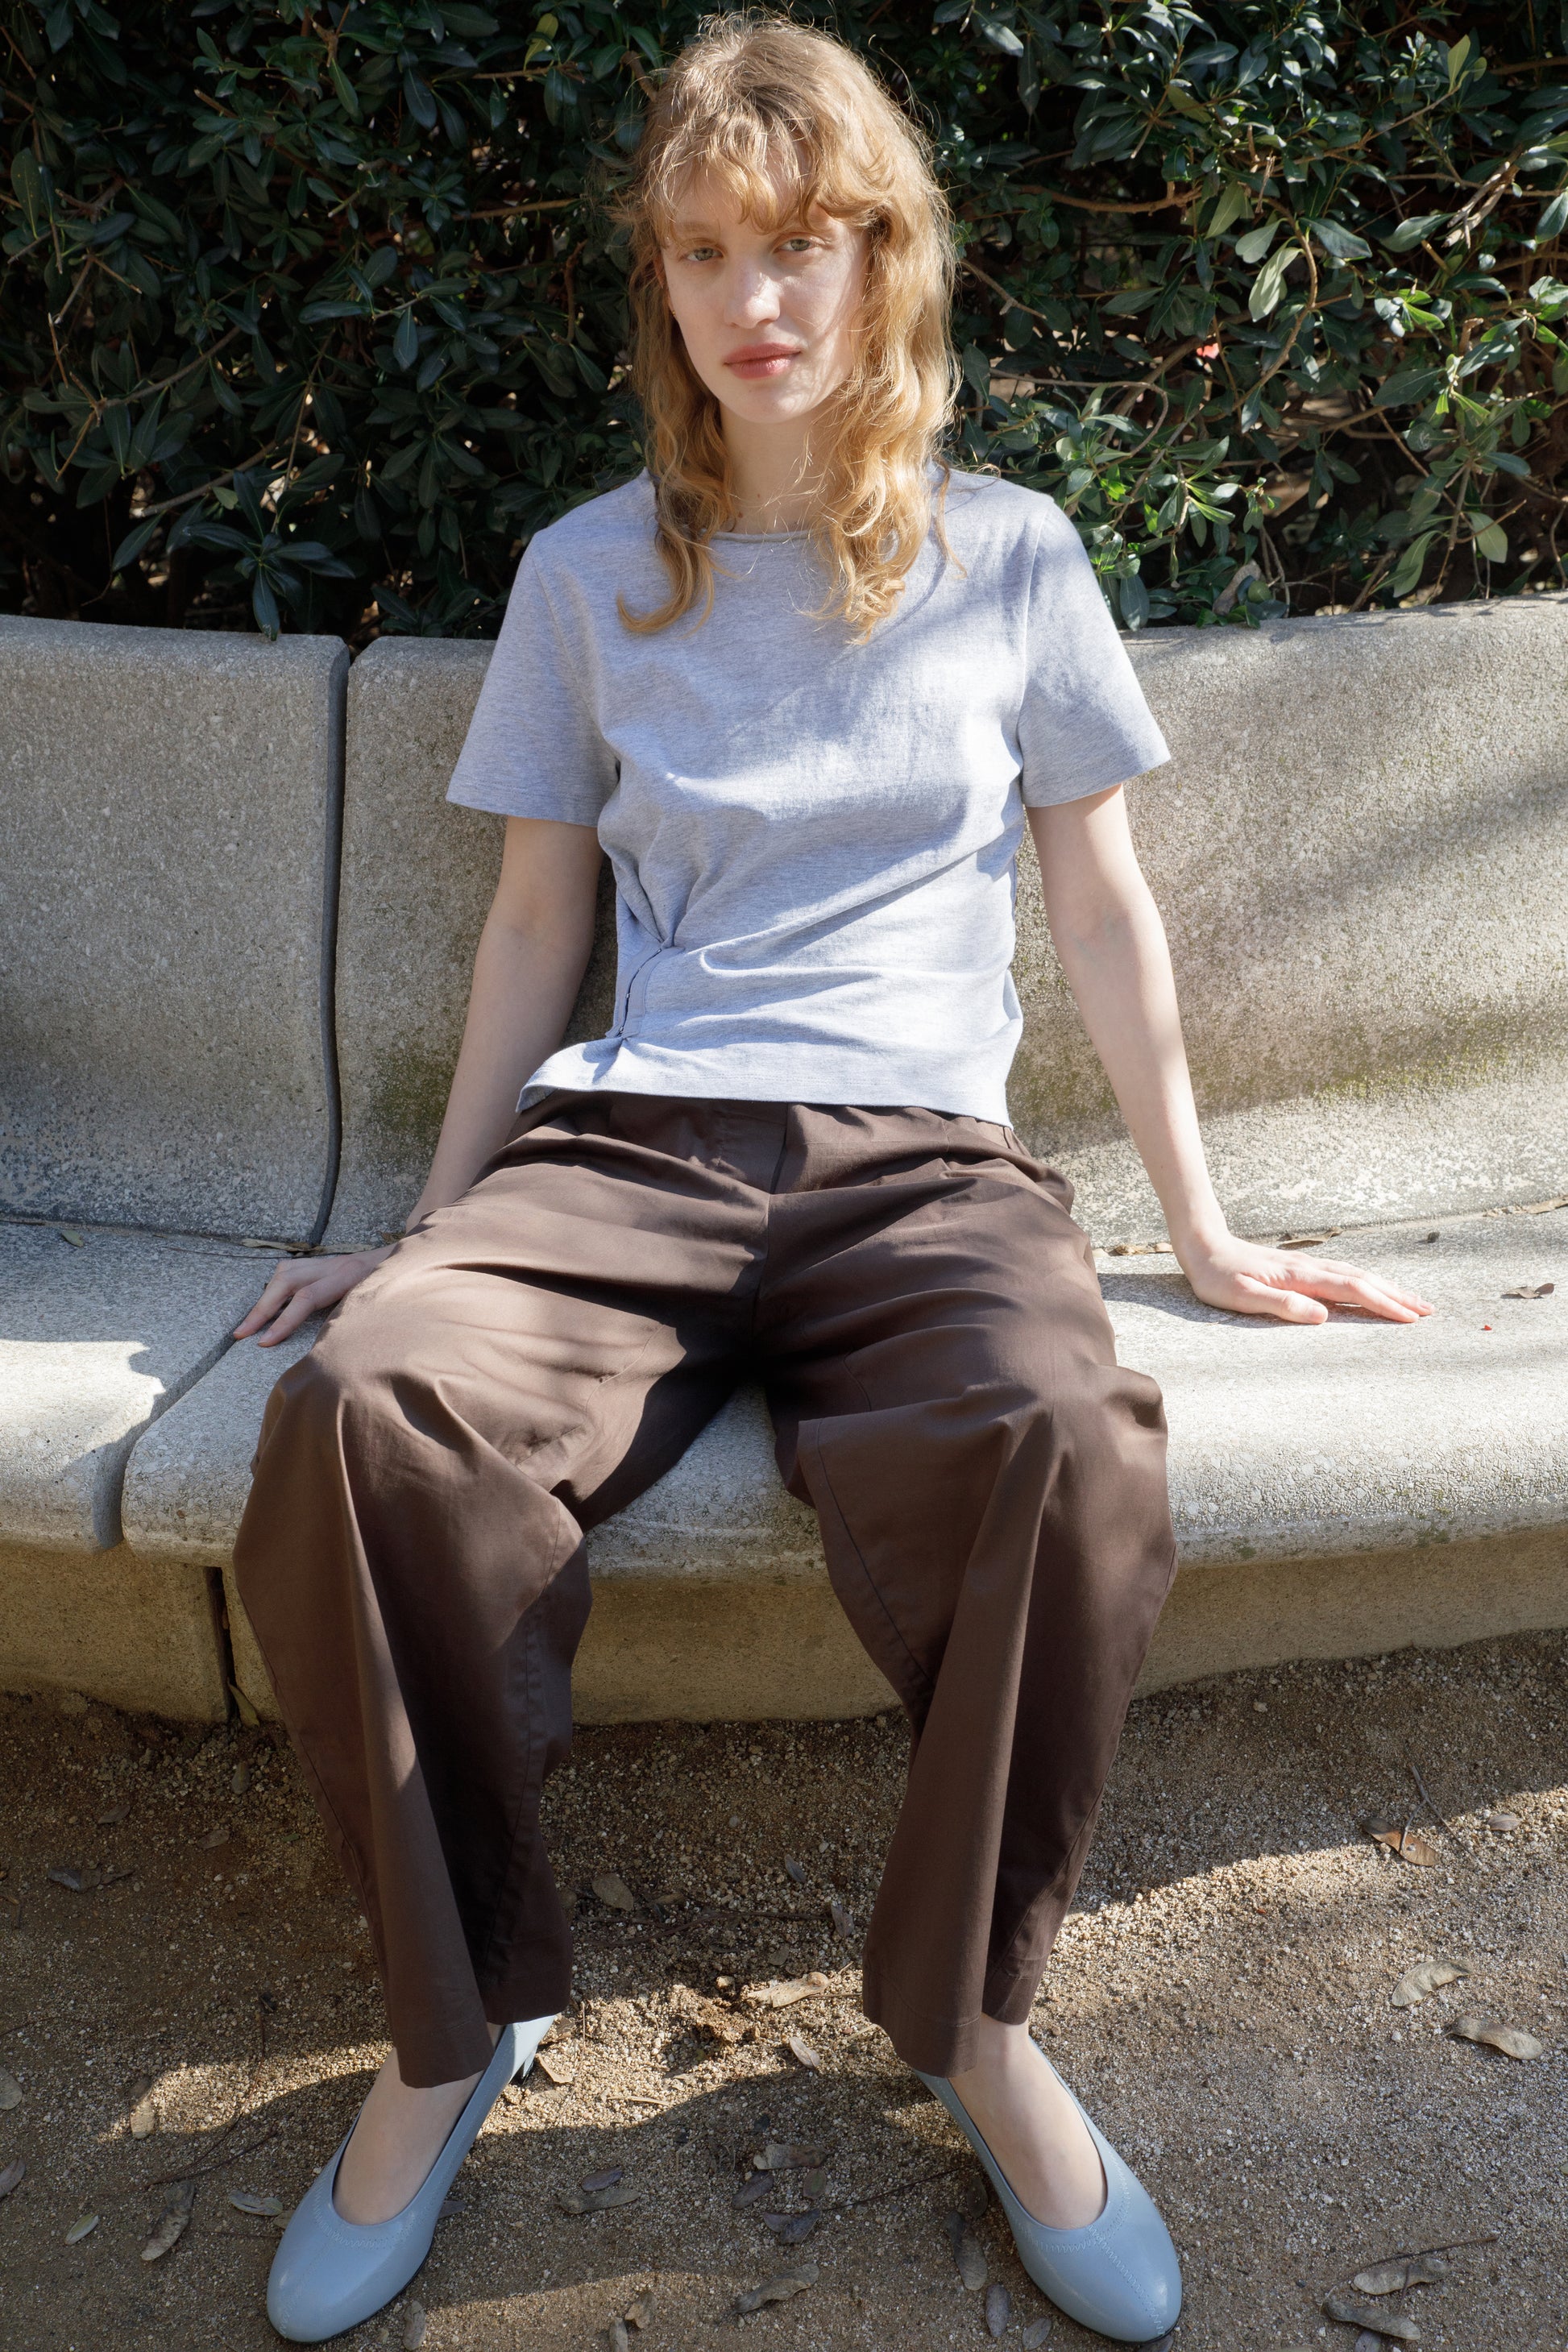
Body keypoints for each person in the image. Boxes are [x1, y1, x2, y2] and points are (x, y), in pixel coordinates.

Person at [231, 15, 1430, 2343]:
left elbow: (1097, 908)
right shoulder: (592, 572)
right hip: (626, 1155)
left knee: (1065, 1442)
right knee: (368, 1406)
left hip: (922, 1176)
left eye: (800, 243)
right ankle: (450, 2026)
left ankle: (978, 2026)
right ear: (661, 291)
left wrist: (1191, 1227)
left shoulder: (1010, 560)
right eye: (702, 252)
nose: (750, 296)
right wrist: (418, 1222)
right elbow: (529, 927)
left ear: (886, 258)